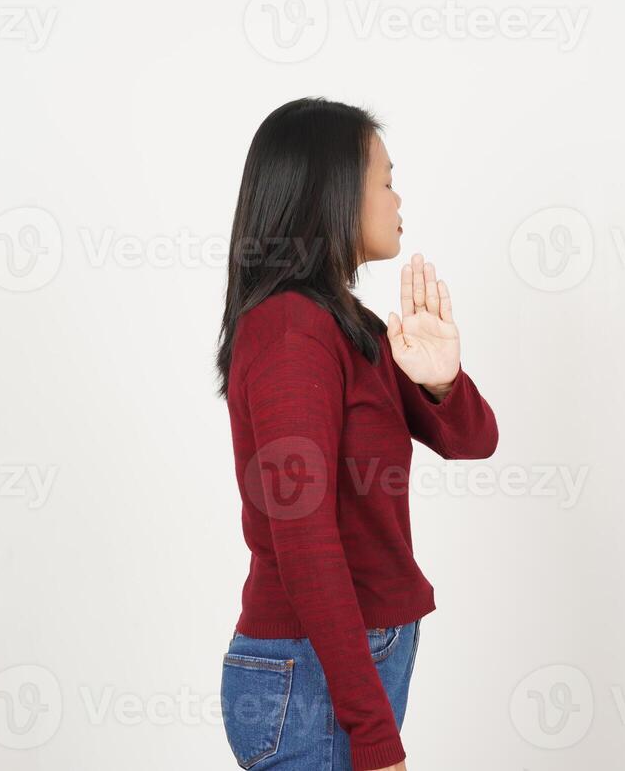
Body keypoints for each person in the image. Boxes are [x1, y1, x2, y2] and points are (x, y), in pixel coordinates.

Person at [214, 97, 501, 770]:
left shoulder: (352, 327)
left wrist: (439, 381)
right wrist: (373, 735)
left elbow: (473, 440)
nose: (399, 199)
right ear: (335, 192)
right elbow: (304, 538)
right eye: (386, 179)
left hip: (341, 669)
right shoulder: (292, 331)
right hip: (312, 679)